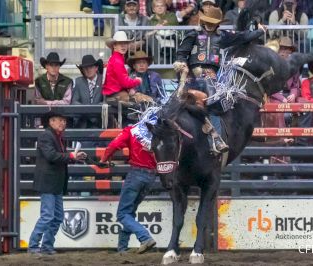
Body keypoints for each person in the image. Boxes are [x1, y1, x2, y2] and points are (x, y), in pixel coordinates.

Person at [173, 6, 266, 153]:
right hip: (192, 76)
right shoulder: (193, 34)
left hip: (211, 77)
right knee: (178, 103)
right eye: (208, 21)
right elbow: (182, 52)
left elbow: (242, 37)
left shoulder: (223, 36)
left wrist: (259, 31)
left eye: (213, 22)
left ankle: (215, 140)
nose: (210, 24)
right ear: (203, 21)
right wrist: (182, 64)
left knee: (214, 104)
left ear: (217, 23)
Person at [27, 110, 87, 255]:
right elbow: (51, 156)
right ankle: (34, 245)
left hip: (53, 182)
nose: (62, 123)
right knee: (49, 216)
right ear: (51, 122)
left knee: (56, 216)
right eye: (59, 120)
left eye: (64, 120)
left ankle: (46, 246)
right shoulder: (47, 136)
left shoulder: (53, 136)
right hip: (50, 182)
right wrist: (71, 156)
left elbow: (56, 156)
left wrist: (73, 157)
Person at [99, 117, 157, 254]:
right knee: (129, 212)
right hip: (151, 175)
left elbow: (113, 145)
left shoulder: (132, 130)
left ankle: (145, 237)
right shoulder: (157, 133)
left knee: (122, 214)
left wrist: (103, 159)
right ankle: (122, 247)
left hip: (136, 173)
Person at [102, 31, 145, 105]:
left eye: (125, 43)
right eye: (120, 43)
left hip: (114, 93)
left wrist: (129, 88)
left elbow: (121, 82)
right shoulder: (117, 60)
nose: (123, 46)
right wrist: (137, 81)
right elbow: (124, 82)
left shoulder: (116, 58)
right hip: (115, 94)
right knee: (143, 101)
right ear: (114, 46)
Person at [72, 55, 104, 128]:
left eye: (91, 67)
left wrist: (92, 110)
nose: (88, 70)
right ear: (82, 70)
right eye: (85, 68)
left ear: (96, 68)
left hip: (100, 123)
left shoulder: (104, 80)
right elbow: (74, 102)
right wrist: (86, 110)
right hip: (83, 123)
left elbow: (105, 101)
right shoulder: (78, 81)